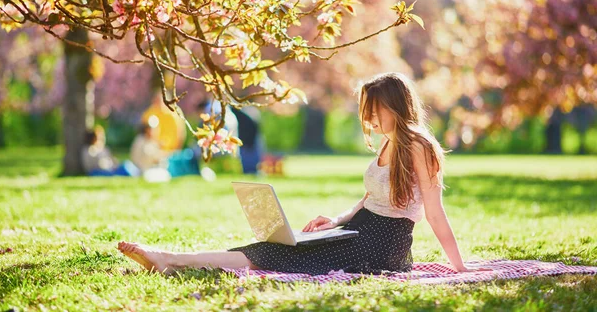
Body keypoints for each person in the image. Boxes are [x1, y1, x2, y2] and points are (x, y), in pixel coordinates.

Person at [117, 72, 490, 275]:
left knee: (275, 253)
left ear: (395, 106)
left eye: (376, 110)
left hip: (384, 245)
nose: (370, 119)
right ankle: (170, 259)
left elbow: (434, 212)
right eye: (368, 111)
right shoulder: (387, 143)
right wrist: (337, 219)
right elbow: (371, 199)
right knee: (279, 246)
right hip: (362, 228)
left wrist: (460, 268)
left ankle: (170, 259)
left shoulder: (419, 146)